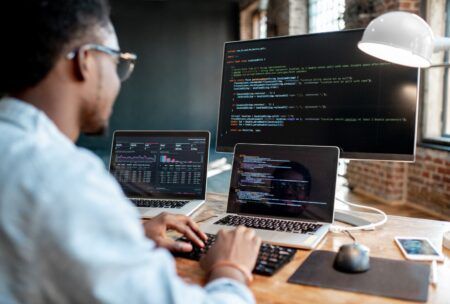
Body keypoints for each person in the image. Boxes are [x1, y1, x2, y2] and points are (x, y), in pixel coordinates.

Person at [0, 0, 261, 303]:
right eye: (117, 62)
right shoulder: (64, 179)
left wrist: (127, 239)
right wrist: (231, 268)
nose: (118, 80)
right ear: (85, 61)